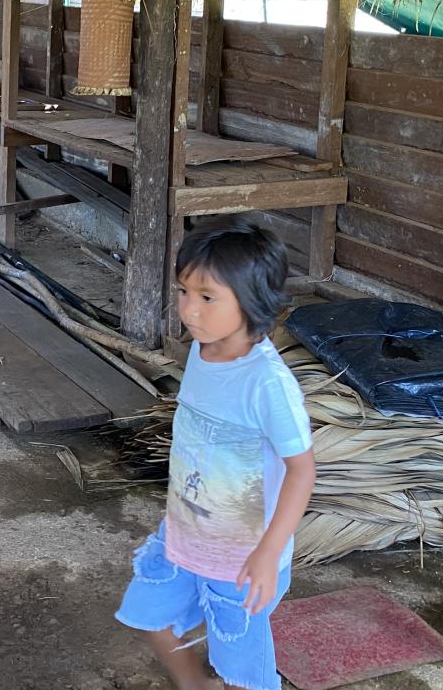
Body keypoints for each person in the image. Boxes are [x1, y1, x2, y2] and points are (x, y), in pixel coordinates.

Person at [117, 220, 316, 690]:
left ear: (253, 300)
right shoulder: (203, 353)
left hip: (242, 557)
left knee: (241, 666)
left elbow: (302, 470)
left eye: (207, 297)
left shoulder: (267, 383)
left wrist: (268, 553)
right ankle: (193, 684)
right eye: (183, 291)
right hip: (185, 536)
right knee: (151, 616)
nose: (189, 309)